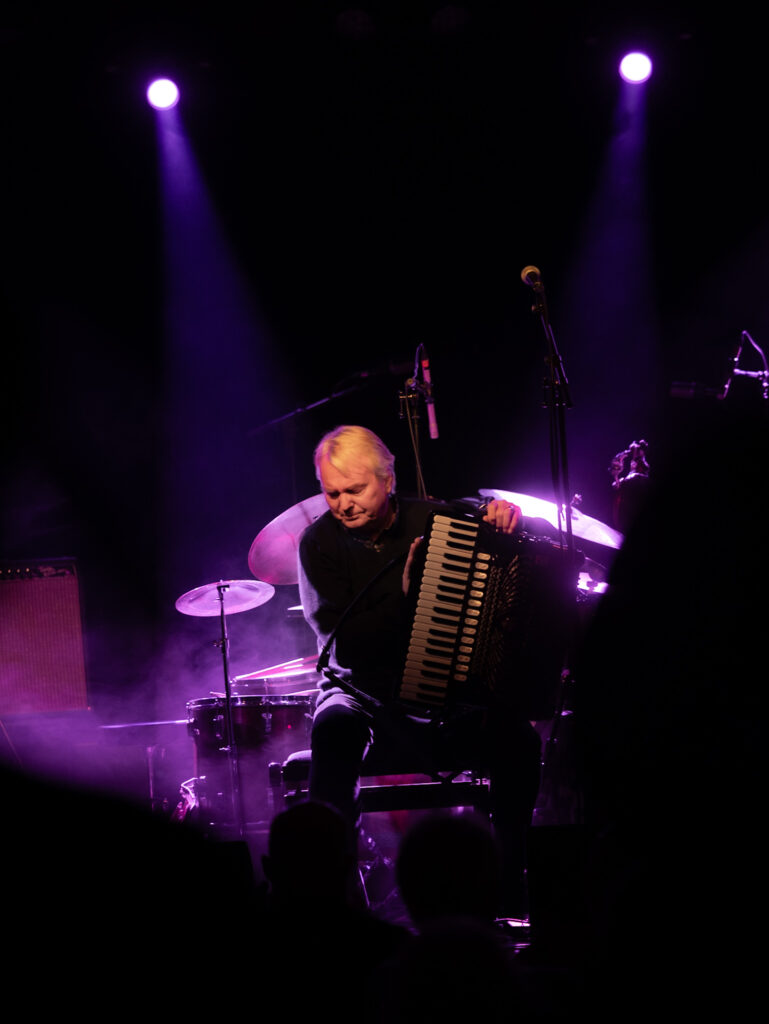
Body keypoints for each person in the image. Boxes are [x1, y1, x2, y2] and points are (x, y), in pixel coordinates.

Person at [297, 424, 546, 918]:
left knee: (519, 738)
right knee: (333, 731)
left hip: (443, 695)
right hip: (360, 693)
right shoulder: (317, 543)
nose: (344, 504)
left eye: (355, 489)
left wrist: (501, 514)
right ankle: (335, 906)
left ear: (388, 480)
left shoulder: (434, 520)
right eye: (332, 493)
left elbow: (486, 529)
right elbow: (347, 646)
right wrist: (409, 597)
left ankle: (511, 888)